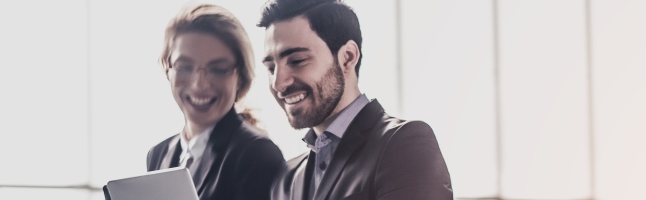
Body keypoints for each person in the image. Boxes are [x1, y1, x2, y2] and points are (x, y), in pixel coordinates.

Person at [257, 0, 453, 199]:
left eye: (297, 61)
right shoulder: (286, 180)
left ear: (347, 57)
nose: (278, 83)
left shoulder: (404, 144)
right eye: (271, 68)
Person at [145, 3, 286, 200]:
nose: (199, 85)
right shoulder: (158, 154)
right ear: (168, 67)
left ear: (241, 77)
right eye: (185, 66)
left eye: (218, 69)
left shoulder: (258, 156)